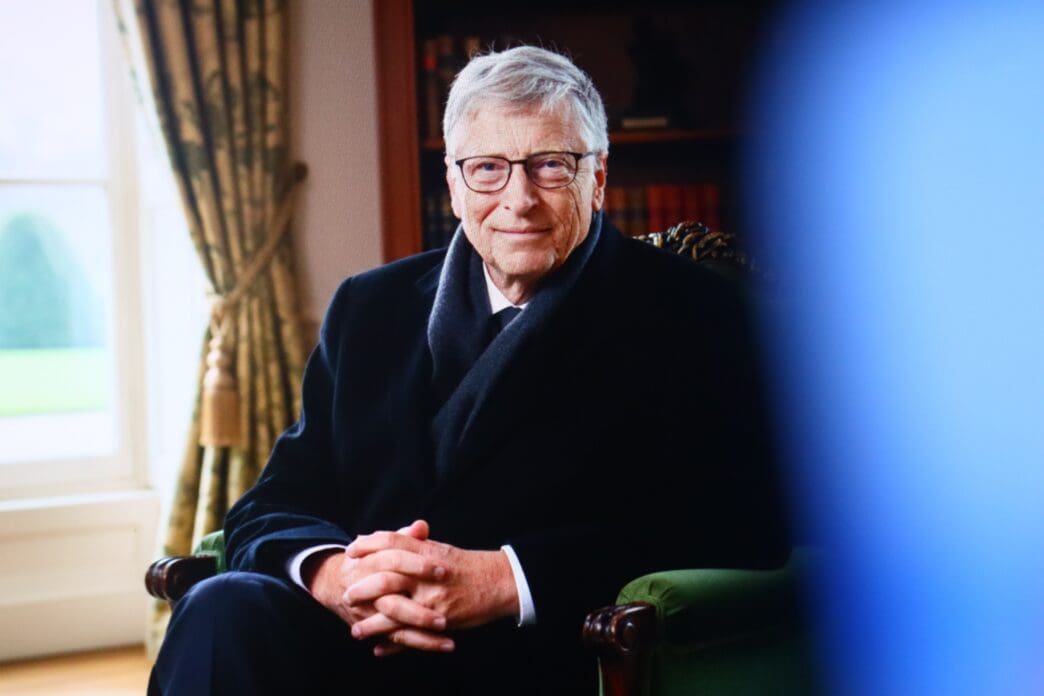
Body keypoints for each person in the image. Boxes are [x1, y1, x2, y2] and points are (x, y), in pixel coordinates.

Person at [149, 45, 789, 695]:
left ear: (597, 178)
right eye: (487, 168)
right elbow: (275, 502)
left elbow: (745, 518)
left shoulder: (693, 311)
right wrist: (334, 575)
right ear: (455, 185)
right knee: (220, 607)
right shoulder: (369, 307)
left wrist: (507, 580)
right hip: (357, 640)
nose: (519, 200)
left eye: (550, 165)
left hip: (538, 652)